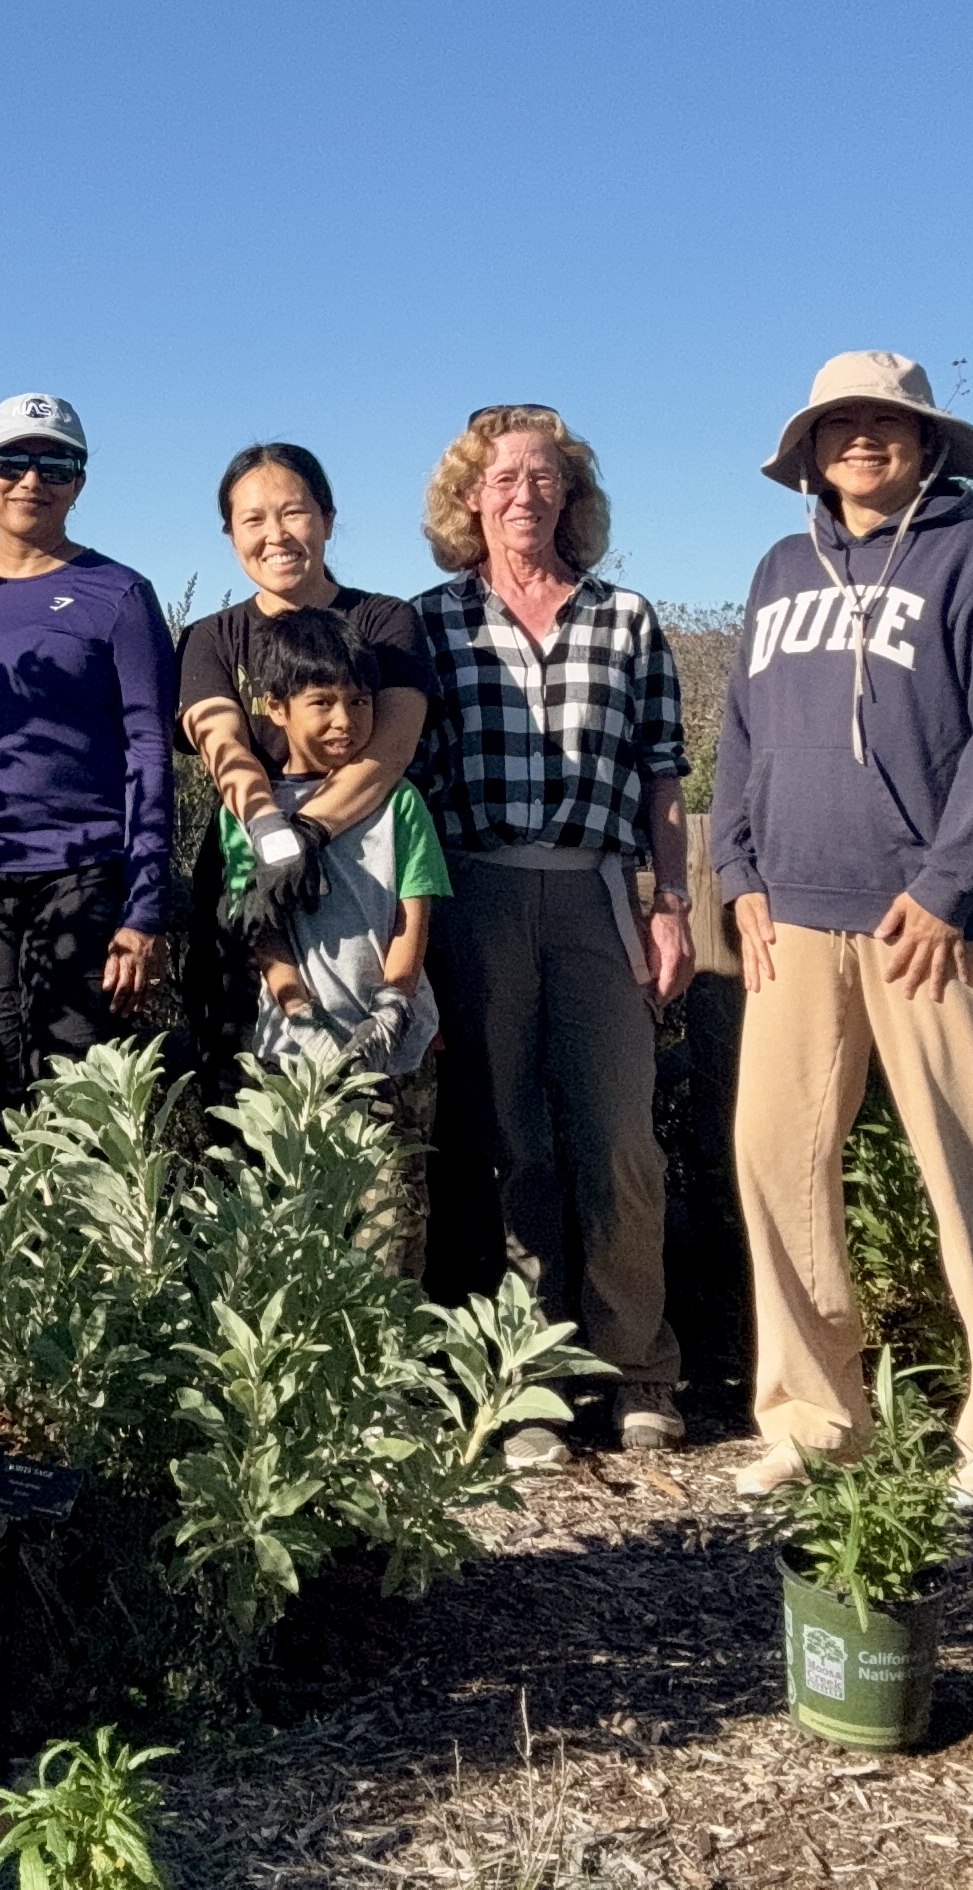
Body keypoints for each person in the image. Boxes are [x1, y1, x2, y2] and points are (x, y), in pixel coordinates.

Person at [712, 351, 973, 1512]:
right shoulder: (776, 568)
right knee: (776, 1164)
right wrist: (735, 870)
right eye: (838, 423)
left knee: (969, 1165)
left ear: (922, 441)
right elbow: (743, 737)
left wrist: (949, 883)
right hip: (791, 917)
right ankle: (813, 1417)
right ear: (808, 449)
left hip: (926, 920)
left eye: (885, 422)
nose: (861, 439)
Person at [410, 404, 692, 1467]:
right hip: (477, 892)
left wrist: (668, 901)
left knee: (618, 1135)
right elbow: (413, 786)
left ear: (569, 498)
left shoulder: (622, 618)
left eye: (542, 477)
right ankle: (523, 1380)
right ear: (468, 499)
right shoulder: (433, 623)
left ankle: (638, 1368)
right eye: (500, 478)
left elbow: (662, 774)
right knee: (507, 1146)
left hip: (595, 894)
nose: (522, 493)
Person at [0, 394, 176, 1136]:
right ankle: (7, 1254)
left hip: (84, 875)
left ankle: (83, 1252)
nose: (31, 480)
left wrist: (145, 907)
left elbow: (151, 751)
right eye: (12, 462)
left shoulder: (120, 595)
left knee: (76, 1103)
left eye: (55, 464)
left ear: (79, 483)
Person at [174, 442, 435, 1099]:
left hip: (372, 910)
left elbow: (390, 749)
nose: (275, 535)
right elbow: (222, 743)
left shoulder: (384, 624)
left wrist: (308, 834)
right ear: (230, 532)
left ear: (326, 518)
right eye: (252, 520)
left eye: (292, 513)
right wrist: (268, 833)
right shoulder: (213, 638)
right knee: (244, 1128)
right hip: (250, 911)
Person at [223, 607, 450, 1275]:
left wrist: (392, 1005)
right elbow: (262, 933)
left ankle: (387, 1371)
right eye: (322, 702)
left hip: (394, 1055)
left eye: (358, 700)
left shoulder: (398, 802)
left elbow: (413, 913)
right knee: (294, 1224)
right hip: (291, 1058)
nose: (345, 720)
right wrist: (301, 1014)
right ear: (276, 708)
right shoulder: (252, 817)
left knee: (392, 1226)